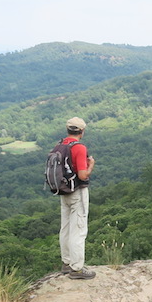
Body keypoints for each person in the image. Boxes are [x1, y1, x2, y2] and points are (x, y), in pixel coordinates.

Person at [58, 116, 96, 279]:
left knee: (65, 226)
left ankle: (66, 263)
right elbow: (82, 174)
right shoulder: (79, 148)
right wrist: (91, 165)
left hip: (63, 191)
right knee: (79, 229)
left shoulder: (61, 145)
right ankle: (77, 269)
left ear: (68, 130)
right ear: (82, 131)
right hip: (77, 191)